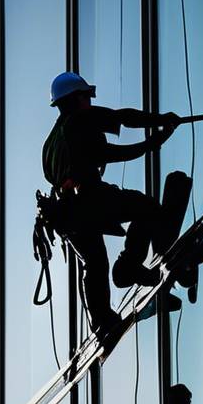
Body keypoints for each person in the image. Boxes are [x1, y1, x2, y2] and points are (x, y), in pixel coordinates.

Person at [40, 71, 187, 338]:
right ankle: (129, 264)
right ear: (76, 98)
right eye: (86, 97)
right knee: (146, 207)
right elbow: (123, 119)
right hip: (88, 200)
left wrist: (152, 140)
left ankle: (101, 322)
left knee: (94, 263)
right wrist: (158, 129)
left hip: (67, 214)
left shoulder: (52, 142)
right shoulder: (79, 121)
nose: (90, 103)